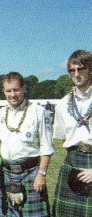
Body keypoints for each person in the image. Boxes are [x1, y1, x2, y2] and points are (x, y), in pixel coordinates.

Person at [0, 72, 55, 216]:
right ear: (3, 91)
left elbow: (46, 146)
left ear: (24, 88)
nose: (12, 94)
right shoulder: (0, 114)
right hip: (6, 172)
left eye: (16, 90)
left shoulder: (39, 112)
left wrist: (42, 174)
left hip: (31, 172)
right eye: (8, 91)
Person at [52, 50, 92, 216]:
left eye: (80, 69)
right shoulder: (62, 104)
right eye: (71, 70)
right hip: (72, 162)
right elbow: (62, 139)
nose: (76, 74)